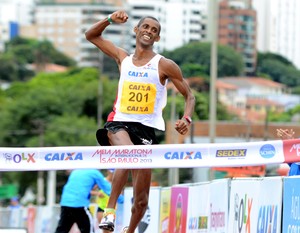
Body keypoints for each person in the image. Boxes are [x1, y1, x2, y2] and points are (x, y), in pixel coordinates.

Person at [85, 10, 195, 233]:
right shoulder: (123, 58)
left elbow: (189, 96)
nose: (149, 32)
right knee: (127, 154)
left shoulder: (164, 65)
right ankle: (110, 212)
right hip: (118, 124)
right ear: (136, 31)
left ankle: (130, 230)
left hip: (146, 131)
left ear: (157, 38)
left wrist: (187, 118)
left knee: (142, 199)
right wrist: (109, 20)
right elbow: (91, 35)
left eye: (154, 31)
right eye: (145, 27)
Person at [55, 169, 123, 233]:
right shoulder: (94, 173)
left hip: (65, 203)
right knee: (88, 230)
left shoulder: (76, 171)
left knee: (62, 229)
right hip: (80, 205)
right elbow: (107, 188)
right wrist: (123, 200)